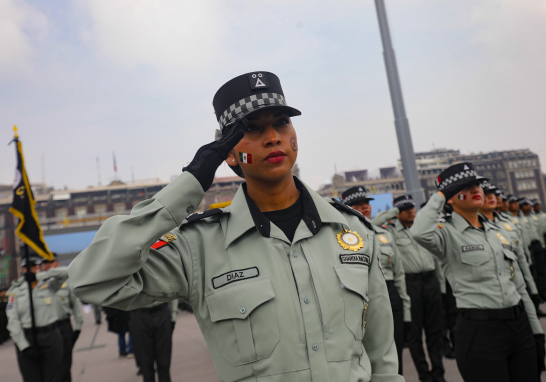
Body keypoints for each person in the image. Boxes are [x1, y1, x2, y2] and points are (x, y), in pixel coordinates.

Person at [69, 71, 403, 381]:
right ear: (229, 153)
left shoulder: (352, 232)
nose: (273, 137)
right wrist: (187, 186)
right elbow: (91, 279)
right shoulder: (199, 247)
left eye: (282, 122)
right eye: (252, 129)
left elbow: (382, 353)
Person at [412, 162, 545, 382]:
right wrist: (441, 194)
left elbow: (518, 286)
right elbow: (418, 233)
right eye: (465, 186)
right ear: (451, 197)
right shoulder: (446, 234)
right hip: (480, 332)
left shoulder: (498, 232)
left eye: (478, 185)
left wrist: (536, 332)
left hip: (519, 326)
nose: (476, 190)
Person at [373, 195, 445, 382]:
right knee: (415, 334)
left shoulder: (422, 229)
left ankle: (438, 373)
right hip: (411, 284)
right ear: (398, 213)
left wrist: (442, 286)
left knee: (435, 332)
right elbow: (374, 222)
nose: (411, 211)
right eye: (405, 208)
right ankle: (424, 375)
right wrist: (395, 210)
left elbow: (436, 259)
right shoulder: (390, 231)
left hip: (431, 282)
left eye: (412, 207)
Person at [341, 186, 411, 375]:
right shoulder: (340, 236)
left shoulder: (383, 234)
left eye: (367, 204)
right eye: (358, 204)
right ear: (346, 208)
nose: (365, 208)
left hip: (389, 293)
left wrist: (406, 308)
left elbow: (399, 273)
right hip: (357, 296)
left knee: (392, 353)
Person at [478, 183, 544, 316]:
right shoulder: (477, 225)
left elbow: (520, 252)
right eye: (488, 194)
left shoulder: (507, 222)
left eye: (496, 195)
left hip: (523, 258)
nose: (496, 198)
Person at [6, 254, 69, 382]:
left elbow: (68, 272)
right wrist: (24, 346)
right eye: (26, 267)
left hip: (51, 337)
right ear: (22, 269)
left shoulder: (50, 285)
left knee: (54, 378)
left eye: (34, 266)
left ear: (40, 267)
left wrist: (39, 276)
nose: (30, 269)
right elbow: (12, 320)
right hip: (26, 338)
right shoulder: (14, 292)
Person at [43, 253, 84, 382]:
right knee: (51, 366)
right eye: (45, 263)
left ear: (57, 263)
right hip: (48, 328)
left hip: (64, 326)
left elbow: (76, 307)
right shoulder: (40, 284)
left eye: (50, 263)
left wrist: (77, 328)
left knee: (65, 363)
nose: (48, 266)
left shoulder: (67, 282)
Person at [130, 300, 175, 382]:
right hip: (139, 314)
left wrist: (173, 314)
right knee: (146, 366)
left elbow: (175, 288)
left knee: (164, 364)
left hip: (162, 312)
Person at [520, 197, 546, 301]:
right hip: (529, 247)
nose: (530, 207)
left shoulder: (533, 217)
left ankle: (543, 293)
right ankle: (538, 294)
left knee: (542, 270)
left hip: (539, 244)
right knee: (534, 273)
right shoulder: (520, 219)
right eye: (527, 205)